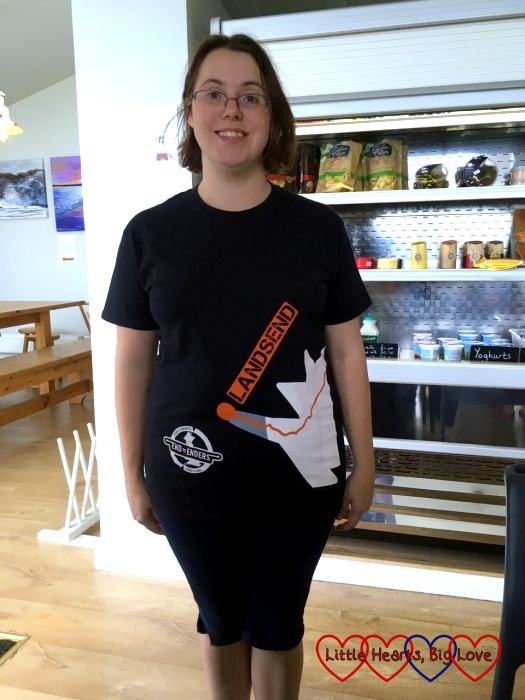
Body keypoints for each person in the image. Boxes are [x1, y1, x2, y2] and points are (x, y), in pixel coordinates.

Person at [102, 32, 375, 700]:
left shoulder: (317, 229)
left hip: (301, 472)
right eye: (214, 94)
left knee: (277, 622)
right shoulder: (148, 234)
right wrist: (130, 474)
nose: (232, 110)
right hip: (188, 469)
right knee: (220, 617)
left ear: (272, 117)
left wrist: (365, 462)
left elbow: (346, 351)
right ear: (189, 113)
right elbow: (132, 363)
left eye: (250, 97)